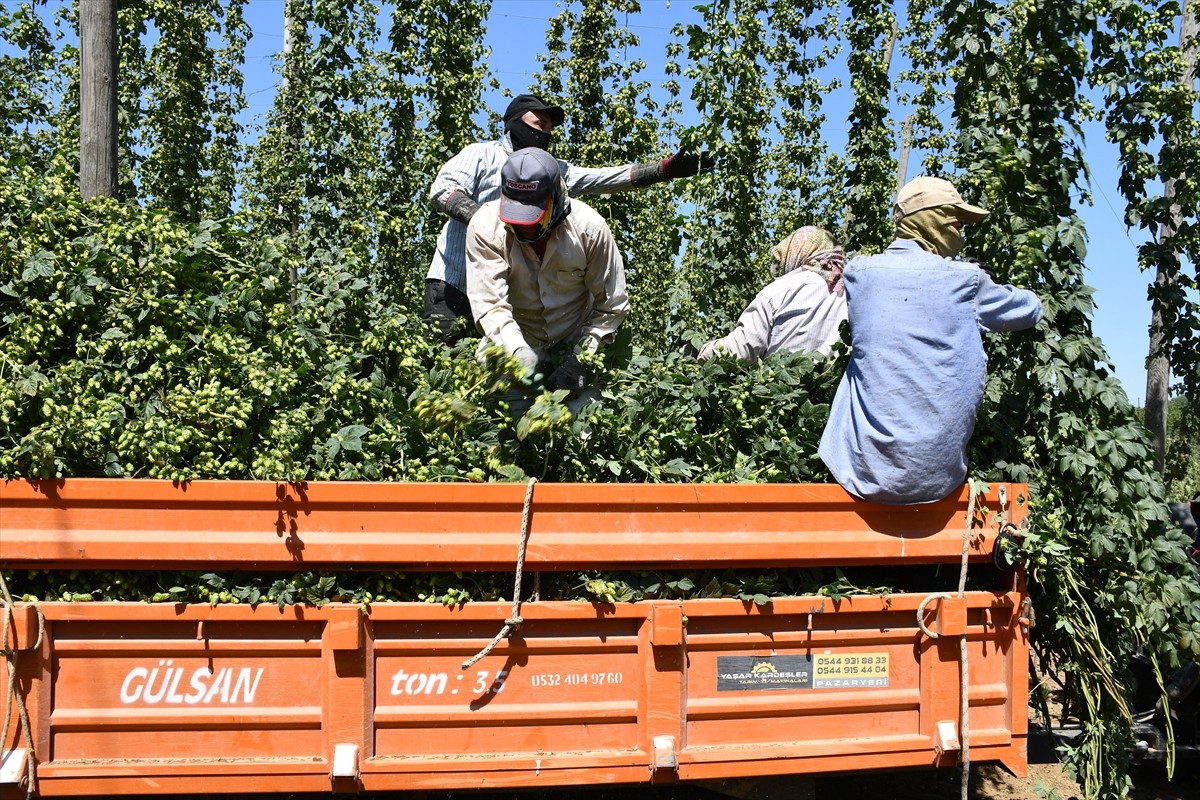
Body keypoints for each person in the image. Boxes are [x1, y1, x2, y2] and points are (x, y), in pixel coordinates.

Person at [818, 176, 1044, 505]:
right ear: (931, 219)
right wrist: (985, 281)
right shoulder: (967, 280)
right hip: (938, 476)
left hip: (859, 469)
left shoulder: (859, 272)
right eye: (957, 220)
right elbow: (1030, 310)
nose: (961, 231)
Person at [426, 92, 712, 339]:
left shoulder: (550, 171)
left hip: (503, 296)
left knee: (494, 369)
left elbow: (600, 179)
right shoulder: (481, 155)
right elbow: (443, 189)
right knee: (446, 366)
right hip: (455, 286)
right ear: (515, 122)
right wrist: (488, 224)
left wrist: (663, 169)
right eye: (540, 124)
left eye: (550, 128)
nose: (546, 133)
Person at [466, 147, 628, 411]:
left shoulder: (590, 229)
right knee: (502, 417)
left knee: (581, 423)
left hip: (573, 341)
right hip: (513, 338)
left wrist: (580, 359)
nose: (523, 226)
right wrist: (517, 350)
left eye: (531, 217)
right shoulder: (485, 227)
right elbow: (490, 304)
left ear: (555, 200)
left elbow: (612, 306)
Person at [697, 226, 848, 362]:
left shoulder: (779, 292)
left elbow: (741, 350)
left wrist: (703, 352)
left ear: (795, 254)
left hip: (783, 382)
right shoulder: (851, 294)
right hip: (836, 384)